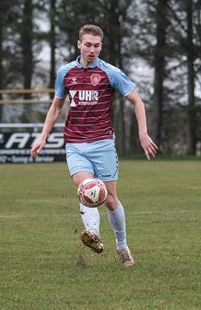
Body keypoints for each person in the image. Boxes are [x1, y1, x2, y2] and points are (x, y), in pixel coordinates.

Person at [30, 24, 158, 266]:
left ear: (101, 46)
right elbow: (56, 106)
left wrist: (143, 133)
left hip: (103, 144)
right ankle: (94, 236)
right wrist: (43, 136)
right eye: (87, 45)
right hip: (75, 144)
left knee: (110, 199)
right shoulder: (65, 73)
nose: (92, 49)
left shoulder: (111, 73)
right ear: (79, 44)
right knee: (86, 187)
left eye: (96, 45)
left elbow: (137, 101)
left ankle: (122, 246)